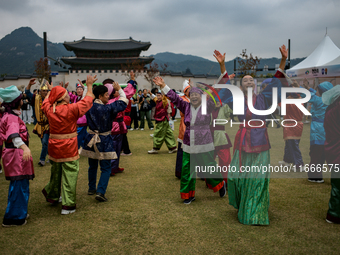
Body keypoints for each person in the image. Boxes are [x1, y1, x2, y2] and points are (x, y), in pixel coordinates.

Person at [213, 44, 289, 225]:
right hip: (243, 141)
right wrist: (222, 66)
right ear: (241, 85)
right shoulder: (236, 100)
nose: (249, 81)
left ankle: (255, 212)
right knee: (236, 177)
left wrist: (283, 60)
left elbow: (276, 81)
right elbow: (224, 89)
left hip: (260, 140)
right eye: (245, 80)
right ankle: (243, 203)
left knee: (257, 178)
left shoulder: (264, 98)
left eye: (251, 80)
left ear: (255, 84)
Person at [153, 77, 226, 205]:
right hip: (188, 141)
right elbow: (174, 97)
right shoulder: (185, 106)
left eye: (197, 95)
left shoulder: (207, 106)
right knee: (187, 169)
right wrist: (164, 85)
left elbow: (216, 92)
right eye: (192, 95)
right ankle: (188, 195)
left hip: (204, 141)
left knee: (209, 167)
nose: (194, 97)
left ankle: (220, 184)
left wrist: (222, 73)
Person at [41, 75, 95, 215]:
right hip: (69, 145)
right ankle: (68, 205)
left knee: (56, 171)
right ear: (64, 98)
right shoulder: (72, 109)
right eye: (66, 95)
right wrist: (89, 85)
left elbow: (45, 102)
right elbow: (88, 100)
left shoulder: (49, 109)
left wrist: (51, 92)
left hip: (53, 146)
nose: (68, 96)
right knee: (70, 173)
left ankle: (53, 196)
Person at [80, 82, 128, 202]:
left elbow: (82, 100)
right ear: (100, 96)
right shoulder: (108, 108)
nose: (108, 96)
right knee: (106, 168)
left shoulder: (88, 106)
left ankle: (91, 188)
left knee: (92, 165)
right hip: (104, 139)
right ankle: (100, 191)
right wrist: (120, 90)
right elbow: (123, 102)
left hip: (91, 138)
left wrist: (87, 86)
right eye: (106, 94)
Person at [0, 85, 34, 227]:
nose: (22, 100)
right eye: (21, 98)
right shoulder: (12, 117)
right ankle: (14, 217)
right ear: (16, 101)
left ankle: (18, 211)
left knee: (18, 185)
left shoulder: (8, 115)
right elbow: (14, 137)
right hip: (16, 155)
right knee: (19, 186)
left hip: (14, 155)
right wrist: (25, 148)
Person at [105, 72, 137, 175]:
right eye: (116, 91)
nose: (119, 92)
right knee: (114, 147)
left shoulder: (109, 101)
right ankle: (111, 168)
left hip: (117, 125)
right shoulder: (115, 101)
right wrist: (132, 80)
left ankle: (115, 166)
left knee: (118, 148)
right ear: (113, 93)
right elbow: (127, 92)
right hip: (115, 127)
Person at [302, 79, 333, 183]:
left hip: (317, 131)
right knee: (327, 155)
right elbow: (315, 93)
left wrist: (299, 86)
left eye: (318, 89)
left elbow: (304, 95)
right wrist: (308, 88)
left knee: (316, 155)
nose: (316, 91)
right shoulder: (330, 100)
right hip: (328, 131)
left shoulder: (317, 99)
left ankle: (315, 176)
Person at [322, 85, 340, 224]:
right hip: (337, 151)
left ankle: (333, 213)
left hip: (333, 151)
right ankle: (334, 214)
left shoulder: (330, 109)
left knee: (336, 184)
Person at [279, 79, 304, 172]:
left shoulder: (288, 102)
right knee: (289, 144)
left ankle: (299, 164)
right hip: (298, 125)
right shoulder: (300, 100)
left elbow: (278, 102)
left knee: (293, 145)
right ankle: (287, 160)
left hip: (291, 126)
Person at [26, 79, 50, 166]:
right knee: (44, 143)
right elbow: (27, 92)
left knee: (45, 142)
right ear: (40, 91)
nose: (45, 92)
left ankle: (42, 160)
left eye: (47, 91)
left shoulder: (50, 98)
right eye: (43, 91)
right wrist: (29, 84)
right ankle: (51, 157)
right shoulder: (36, 98)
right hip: (39, 125)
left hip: (48, 125)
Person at [65, 81, 88, 150]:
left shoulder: (84, 98)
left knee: (78, 136)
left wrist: (84, 86)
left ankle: (76, 149)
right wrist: (65, 88)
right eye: (78, 89)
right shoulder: (75, 98)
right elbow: (68, 94)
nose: (79, 90)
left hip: (82, 120)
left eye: (81, 89)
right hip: (77, 120)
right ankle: (86, 148)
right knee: (84, 136)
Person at [175, 80, 190, 179]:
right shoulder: (183, 99)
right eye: (189, 90)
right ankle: (180, 171)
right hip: (185, 125)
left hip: (195, 127)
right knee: (182, 150)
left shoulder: (194, 99)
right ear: (185, 91)